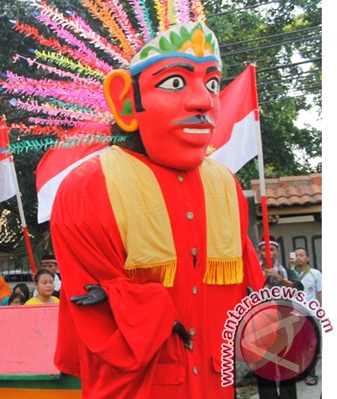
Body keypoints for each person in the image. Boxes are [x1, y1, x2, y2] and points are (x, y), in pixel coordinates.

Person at [49, 20, 265, 399]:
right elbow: (92, 305)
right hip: (143, 383)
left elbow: (248, 290)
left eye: (212, 83)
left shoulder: (225, 185)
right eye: (176, 83)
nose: (203, 101)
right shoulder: (89, 186)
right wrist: (149, 310)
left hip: (214, 381)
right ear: (127, 101)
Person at [256, 236, 302, 399]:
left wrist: (279, 278)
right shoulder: (253, 270)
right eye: (264, 250)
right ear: (259, 252)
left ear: (278, 251)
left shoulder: (285, 271)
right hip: (262, 324)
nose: (268, 253)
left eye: (272, 249)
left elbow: (299, 288)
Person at [292, 247, 322, 386]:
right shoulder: (289, 274)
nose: (299, 257)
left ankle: (311, 373)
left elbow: (320, 293)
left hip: (311, 314)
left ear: (308, 258)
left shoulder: (315, 274)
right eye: (296, 255)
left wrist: (322, 312)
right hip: (294, 315)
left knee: (311, 345)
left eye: (302, 255)